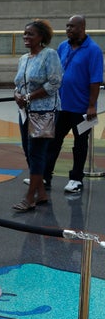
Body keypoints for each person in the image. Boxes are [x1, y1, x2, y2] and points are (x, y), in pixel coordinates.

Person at [42, 15, 103, 194]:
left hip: (83, 109)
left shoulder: (93, 50)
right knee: (53, 142)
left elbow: (95, 81)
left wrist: (91, 106)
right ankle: (45, 176)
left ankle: (76, 179)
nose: (68, 29)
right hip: (61, 106)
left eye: (72, 26)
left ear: (82, 27)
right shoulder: (63, 46)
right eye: (67, 26)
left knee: (80, 144)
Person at [13, 19, 62, 212]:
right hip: (25, 111)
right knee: (28, 151)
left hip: (44, 111)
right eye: (25, 33)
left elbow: (55, 82)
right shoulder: (24, 59)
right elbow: (18, 83)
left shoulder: (49, 55)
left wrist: (28, 96)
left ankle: (30, 198)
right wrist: (17, 94)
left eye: (30, 34)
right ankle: (41, 193)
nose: (26, 37)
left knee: (37, 153)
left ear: (41, 37)